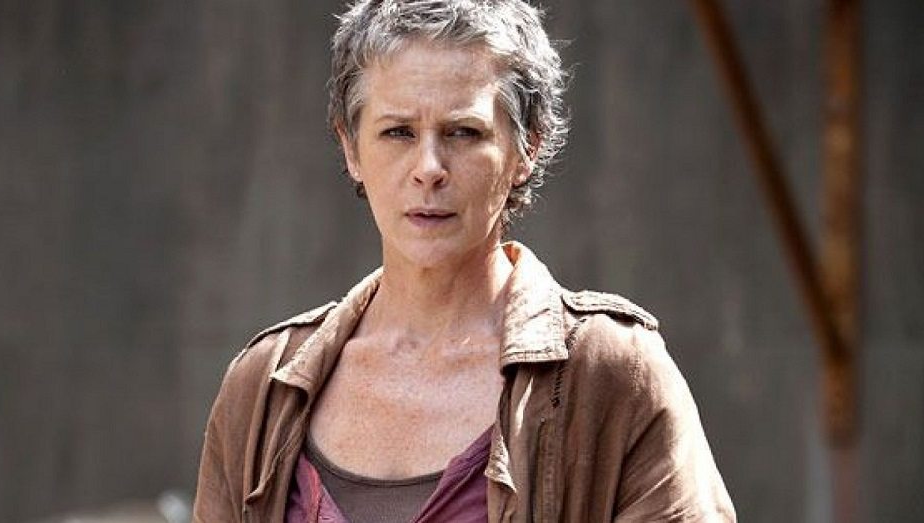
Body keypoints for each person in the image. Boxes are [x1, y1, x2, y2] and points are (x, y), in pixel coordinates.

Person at [192, 1, 735, 521]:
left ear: (527, 149)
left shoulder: (610, 373)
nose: (429, 168)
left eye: (463, 132)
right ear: (352, 148)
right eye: (398, 132)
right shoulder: (263, 388)